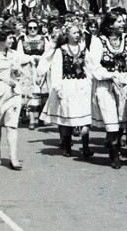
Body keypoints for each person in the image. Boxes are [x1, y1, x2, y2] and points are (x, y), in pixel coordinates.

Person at [40, 22, 94, 158]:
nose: (77, 35)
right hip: (67, 85)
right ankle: (67, 144)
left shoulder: (83, 49)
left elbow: (89, 66)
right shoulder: (61, 50)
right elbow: (57, 69)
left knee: (85, 117)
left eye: (78, 33)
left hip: (82, 86)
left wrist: (91, 81)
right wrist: (57, 87)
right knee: (67, 116)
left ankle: (86, 146)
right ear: (67, 34)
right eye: (74, 33)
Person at [87, 12, 127, 169]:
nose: (122, 24)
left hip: (122, 83)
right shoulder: (98, 41)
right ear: (109, 24)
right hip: (105, 83)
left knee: (121, 117)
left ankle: (116, 145)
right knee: (110, 117)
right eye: (119, 21)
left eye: (123, 21)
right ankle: (114, 154)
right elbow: (93, 65)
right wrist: (108, 75)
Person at [0, 23, 27, 170]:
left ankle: (13, 157)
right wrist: (3, 78)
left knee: (11, 126)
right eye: (10, 38)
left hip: (12, 94)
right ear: (1, 39)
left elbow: (19, 70)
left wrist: (18, 72)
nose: (12, 40)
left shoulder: (14, 54)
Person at [20, 19, 50, 130]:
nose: (32, 30)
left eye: (35, 28)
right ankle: (32, 120)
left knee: (43, 95)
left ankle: (41, 118)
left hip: (41, 69)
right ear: (27, 29)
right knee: (31, 94)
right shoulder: (22, 40)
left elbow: (48, 54)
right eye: (30, 28)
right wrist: (30, 58)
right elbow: (19, 55)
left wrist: (41, 60)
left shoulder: (44, 39)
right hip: (28, 69)